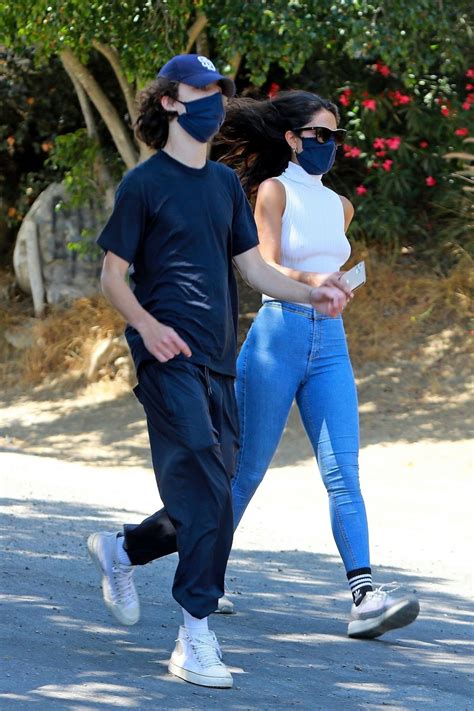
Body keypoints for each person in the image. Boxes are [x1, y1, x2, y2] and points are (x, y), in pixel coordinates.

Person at [87, 56, 350, 689]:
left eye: (219, 92)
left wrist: (311, 293)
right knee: (207, 487)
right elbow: (112, 276)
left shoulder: (225, 188)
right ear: (171, 103)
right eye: (199, 91)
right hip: (166, 360)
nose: (212, 100)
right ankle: (194, 636)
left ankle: (123, 549)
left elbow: (254, 270)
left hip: (220, 363)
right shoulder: (144, 184)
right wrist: (148, 328)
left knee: (213, 496)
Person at [214, 90, 420, 639]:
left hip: (331, 342)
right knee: (247, 469)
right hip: (277, 333)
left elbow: (332, 270)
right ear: (292, 139)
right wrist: (314, 284)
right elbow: (269, 265)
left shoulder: (341, 205)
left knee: (342, 472)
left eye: (335, 137)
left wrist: (339, 287)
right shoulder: (274, 192)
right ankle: (206, 573)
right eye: (320, 136)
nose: (330, 146)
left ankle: (365, 595)